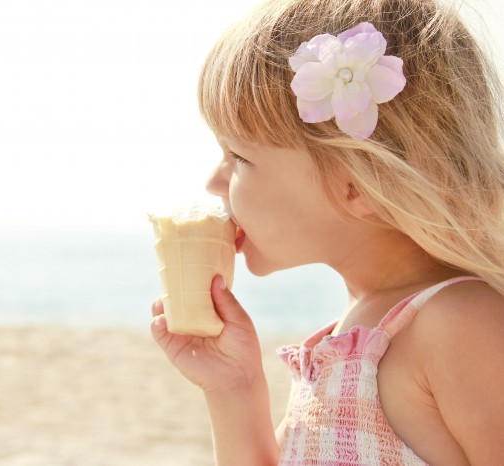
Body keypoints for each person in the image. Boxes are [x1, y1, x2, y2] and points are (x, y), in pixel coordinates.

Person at [149, 0, 504, 464]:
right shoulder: (351, 337)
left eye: (240, 158)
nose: (214, 182)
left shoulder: (460, 325)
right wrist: (235, 387)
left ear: (359, 185)